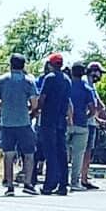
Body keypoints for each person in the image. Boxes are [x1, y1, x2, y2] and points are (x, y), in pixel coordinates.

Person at [0, 53, 39, 195]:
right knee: (29, 153)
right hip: (23, 122)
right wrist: (28, 111)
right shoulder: (28, 82)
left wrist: (4, 108)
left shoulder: (2, 80)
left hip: (7, 122)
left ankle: (9, 185)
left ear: (10, 64)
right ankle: (28, 183)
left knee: (8, 154)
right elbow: (34, 103)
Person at [37, 53, 72, 196]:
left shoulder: (49, 78)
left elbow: (42, 98)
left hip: (48, 120)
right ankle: (63, 184)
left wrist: (36, 110)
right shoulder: (67, 80)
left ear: (51, 64)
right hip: (60, 120)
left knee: (50, 152)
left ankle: (49, 184)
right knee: (61, 152)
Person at [67, 62, 97, 191]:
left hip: (65, 123)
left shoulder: (66, 86)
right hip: (82, 124)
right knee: (78, 155)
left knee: (62, 153)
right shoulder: (87, 88)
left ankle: (61, 179)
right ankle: (75, 182)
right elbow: (93, 109)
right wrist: (86, 116)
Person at [80, 61, 106, 189]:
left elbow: (98, 104)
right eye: (99, 73)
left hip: (90, 121)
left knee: (87, 151)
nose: (100, 76)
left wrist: (99, 119)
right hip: (86, 122)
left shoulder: (90, 84)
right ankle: (82, 178)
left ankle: (83, 176)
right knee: (85, 151)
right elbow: (93, 105)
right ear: (94, 72)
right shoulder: (86, 82)